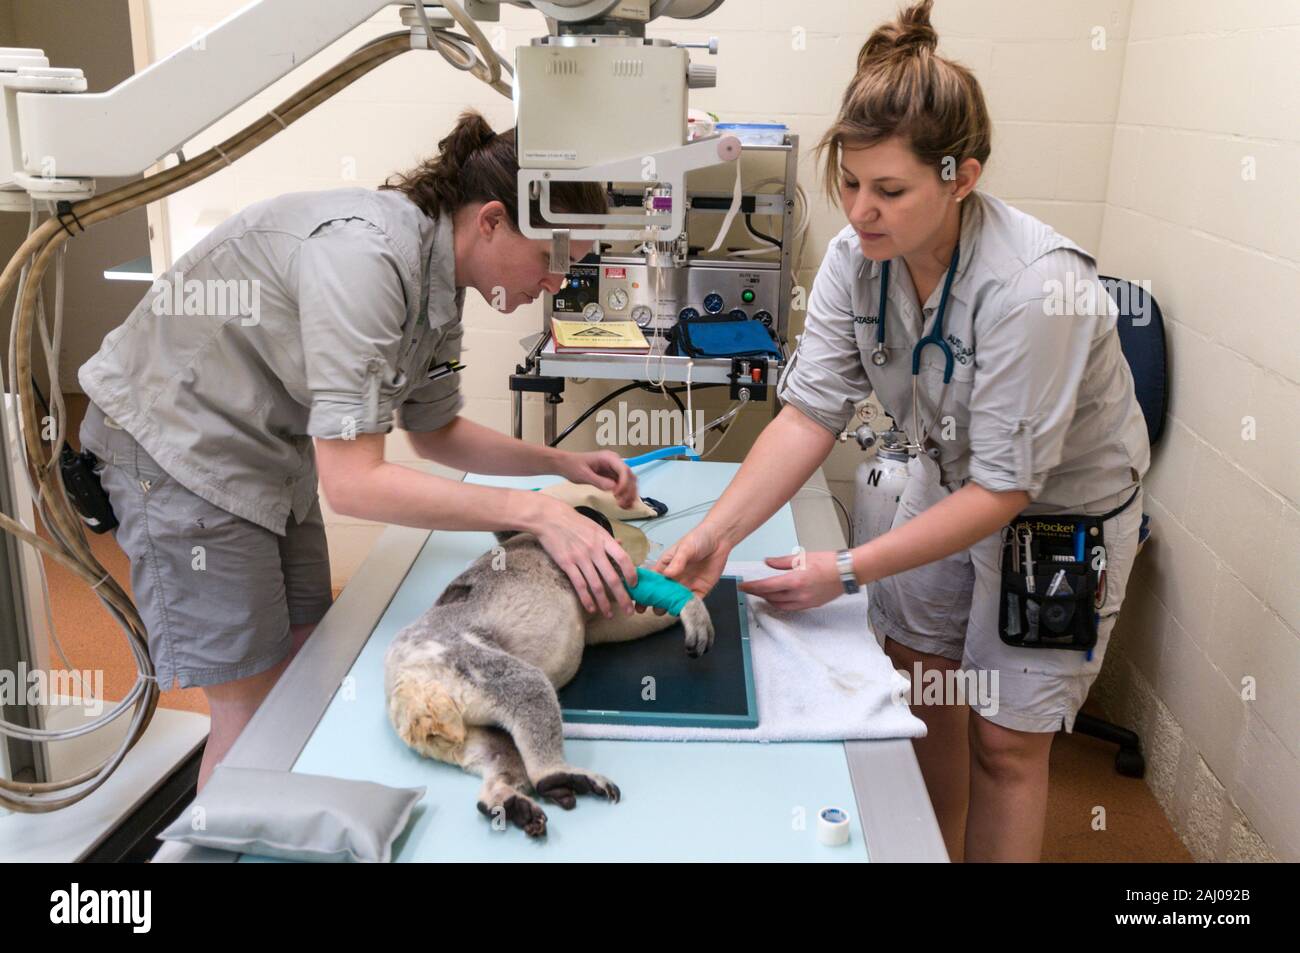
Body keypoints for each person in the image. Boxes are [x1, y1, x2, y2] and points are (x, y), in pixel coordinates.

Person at [649, 0, 1150, 861]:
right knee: (922, 694)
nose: (859, 211)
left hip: (1056, 517)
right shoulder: (857, 260)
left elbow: (1006, 490)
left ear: (962, 176)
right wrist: (713, 534)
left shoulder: (1032, 290)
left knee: (1006, 744)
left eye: (889, 190)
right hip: (951, 478)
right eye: (848, 182)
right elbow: (810, 413)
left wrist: (839, 570)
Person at [77, 110, 641, 791]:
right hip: (177, 451)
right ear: (491, 220)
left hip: (266, 453)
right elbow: (353, 484)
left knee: (307, 670)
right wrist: (541, 516)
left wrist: (560, 466)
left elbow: (435, 431)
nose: (553, 286)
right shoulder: (368, 262)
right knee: (256, 718)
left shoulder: (441, 282)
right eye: (550, 262)